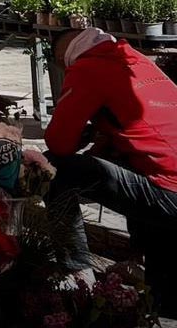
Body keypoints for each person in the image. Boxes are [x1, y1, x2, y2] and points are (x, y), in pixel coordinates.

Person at [44, 27, 177, 316]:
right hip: (168, 178)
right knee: (131, 163)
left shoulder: (87, 67)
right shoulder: (138, 61)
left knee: (53, 169)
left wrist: (85, 134)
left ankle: (76, 276)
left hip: (170, 190)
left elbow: (59, 142)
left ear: (63, 56)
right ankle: (160, 290)